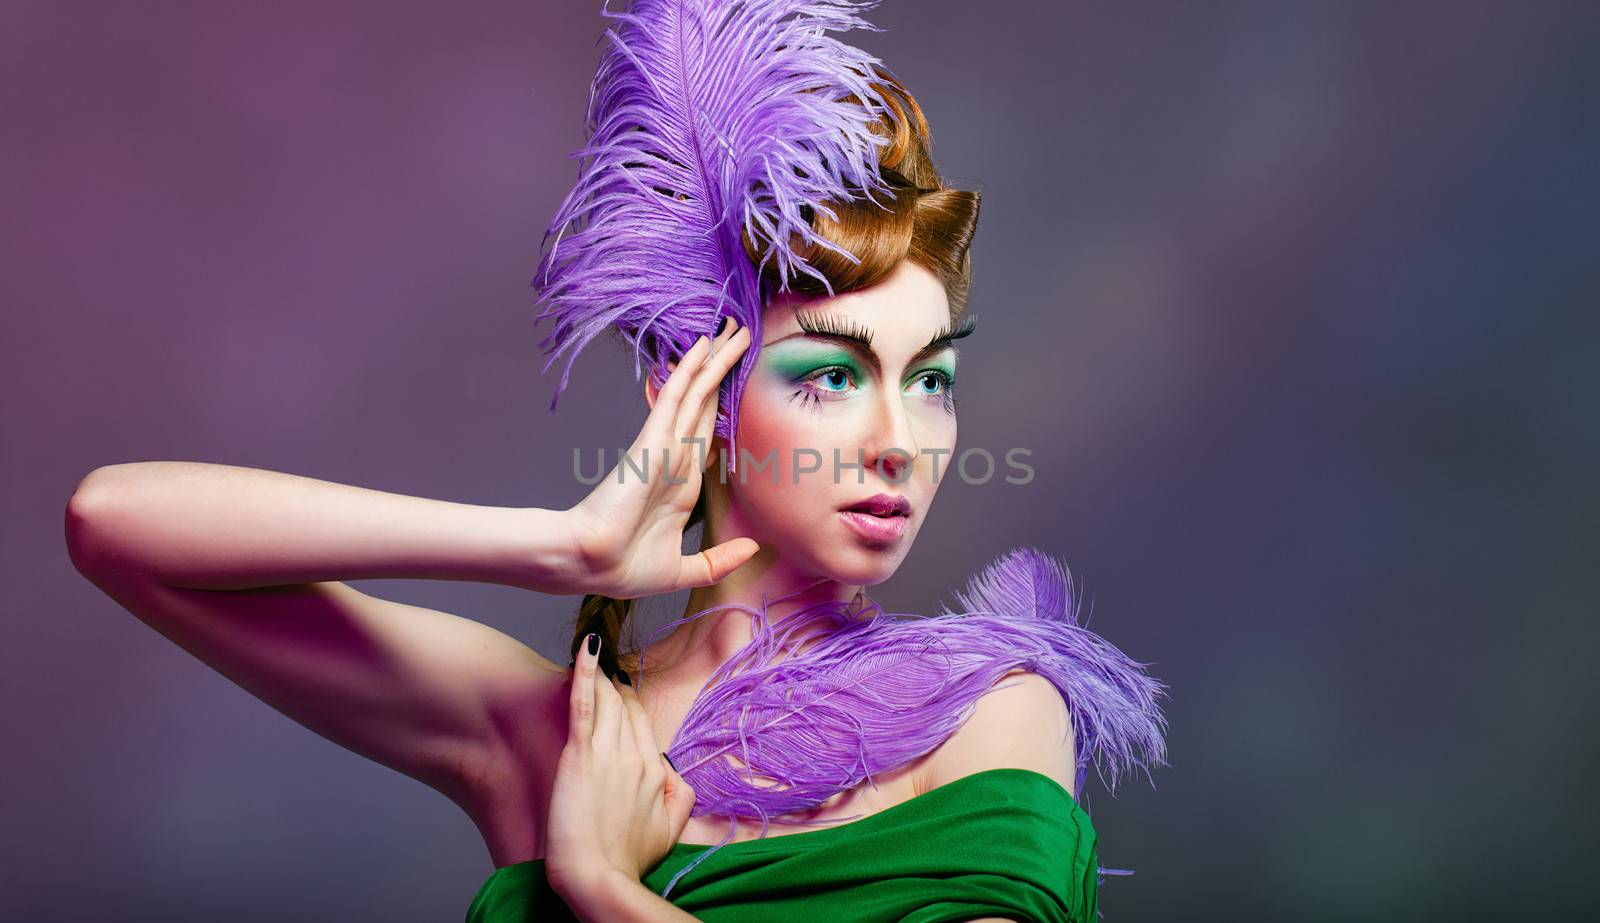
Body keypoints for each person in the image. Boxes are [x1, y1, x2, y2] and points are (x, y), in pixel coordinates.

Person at [65, 2, 1166, 920]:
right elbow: (115, 524)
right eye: (829, 375)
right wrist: (563, 545)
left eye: (930, 380)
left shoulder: (993, 713)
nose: (900, 439)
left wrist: (606, 890)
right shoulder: (556, 728)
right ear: (691, 392)